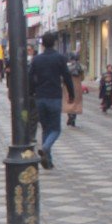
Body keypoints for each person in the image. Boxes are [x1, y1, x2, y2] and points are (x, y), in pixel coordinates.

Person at [29, 31, 75, 170]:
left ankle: (48, 161)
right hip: (54, 96)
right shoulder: (59, 58)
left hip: (40, 97)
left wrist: (31, 92)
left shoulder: (37, 59)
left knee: (45, 128)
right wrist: (71, 94)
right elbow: (67, 76)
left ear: (42, 44)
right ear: (54, 43)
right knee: (55, 129)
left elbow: (30, 77)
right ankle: (46, 147)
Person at [64, 52, 84, 127]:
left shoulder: (66, 66)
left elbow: (63, 76)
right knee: (76, 101)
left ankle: (70, 116)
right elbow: (82, 77)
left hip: (67, 84)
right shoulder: (79, 66)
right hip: (77, 83)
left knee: (69, 100)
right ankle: (73, 116)